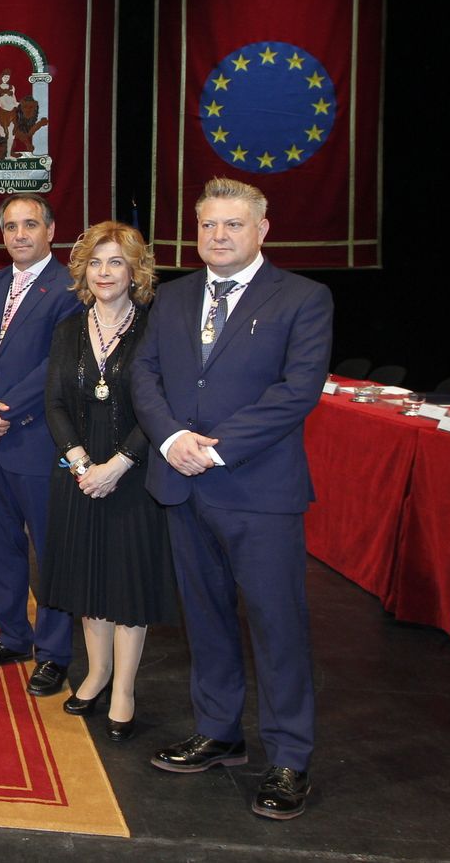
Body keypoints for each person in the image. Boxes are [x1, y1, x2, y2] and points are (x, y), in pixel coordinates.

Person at [130, 177, 332, 821]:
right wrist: (170, 440)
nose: (218, 236)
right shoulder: (173, 296)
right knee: (206, 618)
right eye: (209, 225)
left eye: (232, 225)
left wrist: (212, 447)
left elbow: (297, 390)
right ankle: (219, 731)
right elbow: (146, 373)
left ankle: (289, 759)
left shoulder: (304, 298)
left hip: (257, 492)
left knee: (277, 626)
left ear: (262, 229)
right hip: (181, 483)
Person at [37, 221, 179, 743]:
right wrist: (80, 464)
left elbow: (162, 408)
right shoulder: (67, 330)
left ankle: (125, 688)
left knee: (126, 585)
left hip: (134, 474)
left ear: (135, 270)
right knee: (86, 579)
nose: (104, 272)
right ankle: (96, 674)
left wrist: (117, 464)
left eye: (115, 262)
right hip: (78, 475)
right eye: (95, 262)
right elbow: (53, 403)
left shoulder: (155, 328)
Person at [0, 194, 82, 698]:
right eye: (10, 227)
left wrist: (1, 411)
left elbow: (58, 366)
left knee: (48, 552)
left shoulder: (70, 290)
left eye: (30, 224)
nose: (19, 235)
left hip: (33, 441)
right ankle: (13, 636)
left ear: (51, 230)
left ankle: (54, 653)